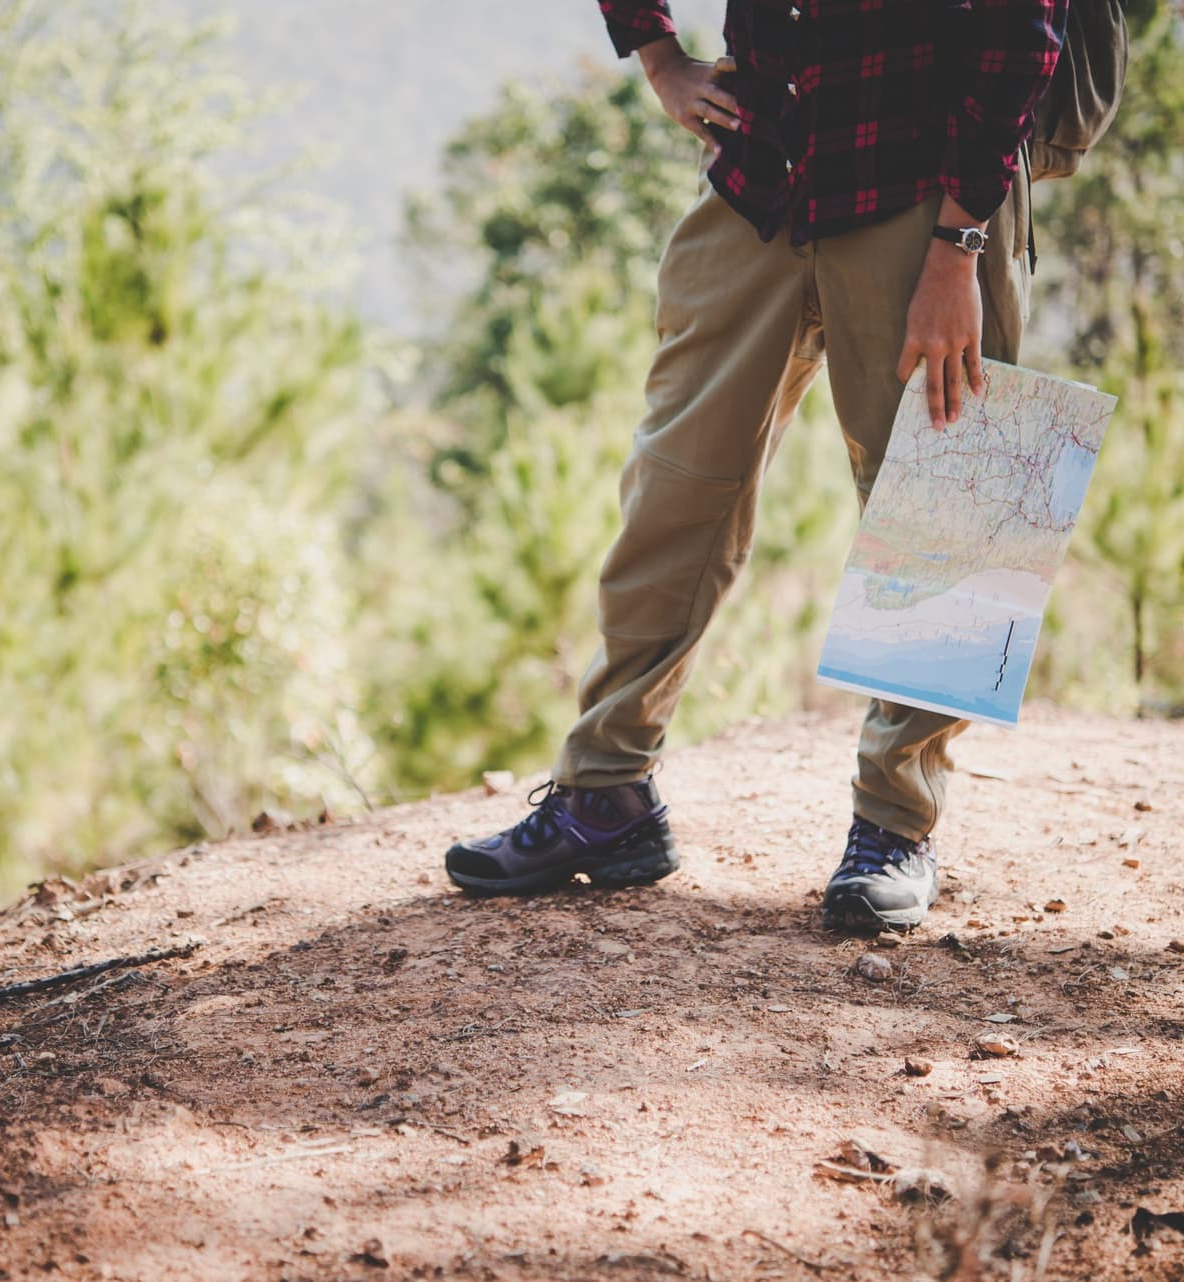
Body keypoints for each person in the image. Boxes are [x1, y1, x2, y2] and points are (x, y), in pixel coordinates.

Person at [443, 0, 1069, 933]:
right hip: (760, 175)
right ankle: (607, 795)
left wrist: (960, 244)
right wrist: (657, 58)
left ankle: (899, 823)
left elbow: (1025, 30)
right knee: (675, 488)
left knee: (950, 495)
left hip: (932, 196)